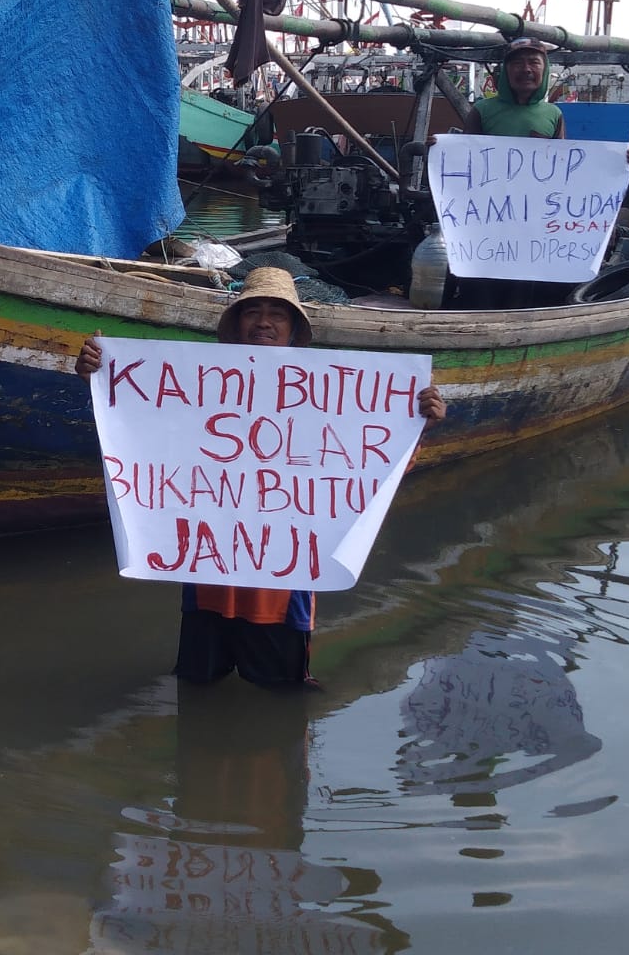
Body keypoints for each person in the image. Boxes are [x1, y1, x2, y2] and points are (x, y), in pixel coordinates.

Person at [74, 265, 445, 690]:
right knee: (196, 687)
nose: (264, 321)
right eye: (253, 311)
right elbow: (141, 439)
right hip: (207, 574)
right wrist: (101, 383)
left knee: (283, 694)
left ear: (292, 330)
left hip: (283, 587)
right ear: (236, 324)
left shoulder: (325, 393)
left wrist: (418, 425)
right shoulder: (200, 383)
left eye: (277, 313)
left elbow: (366, 470)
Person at [464, 37, 566, 139]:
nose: (526, 69)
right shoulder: (482, 111)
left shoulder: (554, 114)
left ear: (545, 69)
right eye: (517, 63)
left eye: (534, 62)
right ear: (505, 70)